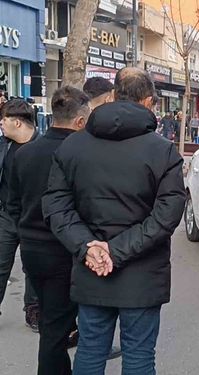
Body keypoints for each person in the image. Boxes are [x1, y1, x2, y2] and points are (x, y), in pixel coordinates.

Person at [42, 67, 186, 374]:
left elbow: (56, 204)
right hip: (143, 274)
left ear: (114, 96)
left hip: (92, 268)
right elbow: (167, 215)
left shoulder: (73, 146)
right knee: (139, 355)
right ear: (148, 102)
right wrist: (116, 251)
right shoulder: (163, 151)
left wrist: (89, 248)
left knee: (91, 350)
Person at [7, 87, 90, 375]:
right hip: (62, 251)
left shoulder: (24, 153)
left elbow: (12, 202)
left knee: (54, 322)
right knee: (55, 328)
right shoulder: (79, 153)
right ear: (80, 121)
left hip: (32, 249)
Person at [0, 99, 40, 331]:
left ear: (17, 122)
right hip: (6, 216)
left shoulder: (43, 147)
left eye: (3, 120)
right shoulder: (4, 146)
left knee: (32, 267)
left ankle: (33, 311)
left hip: (32, 219)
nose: (1, 124)